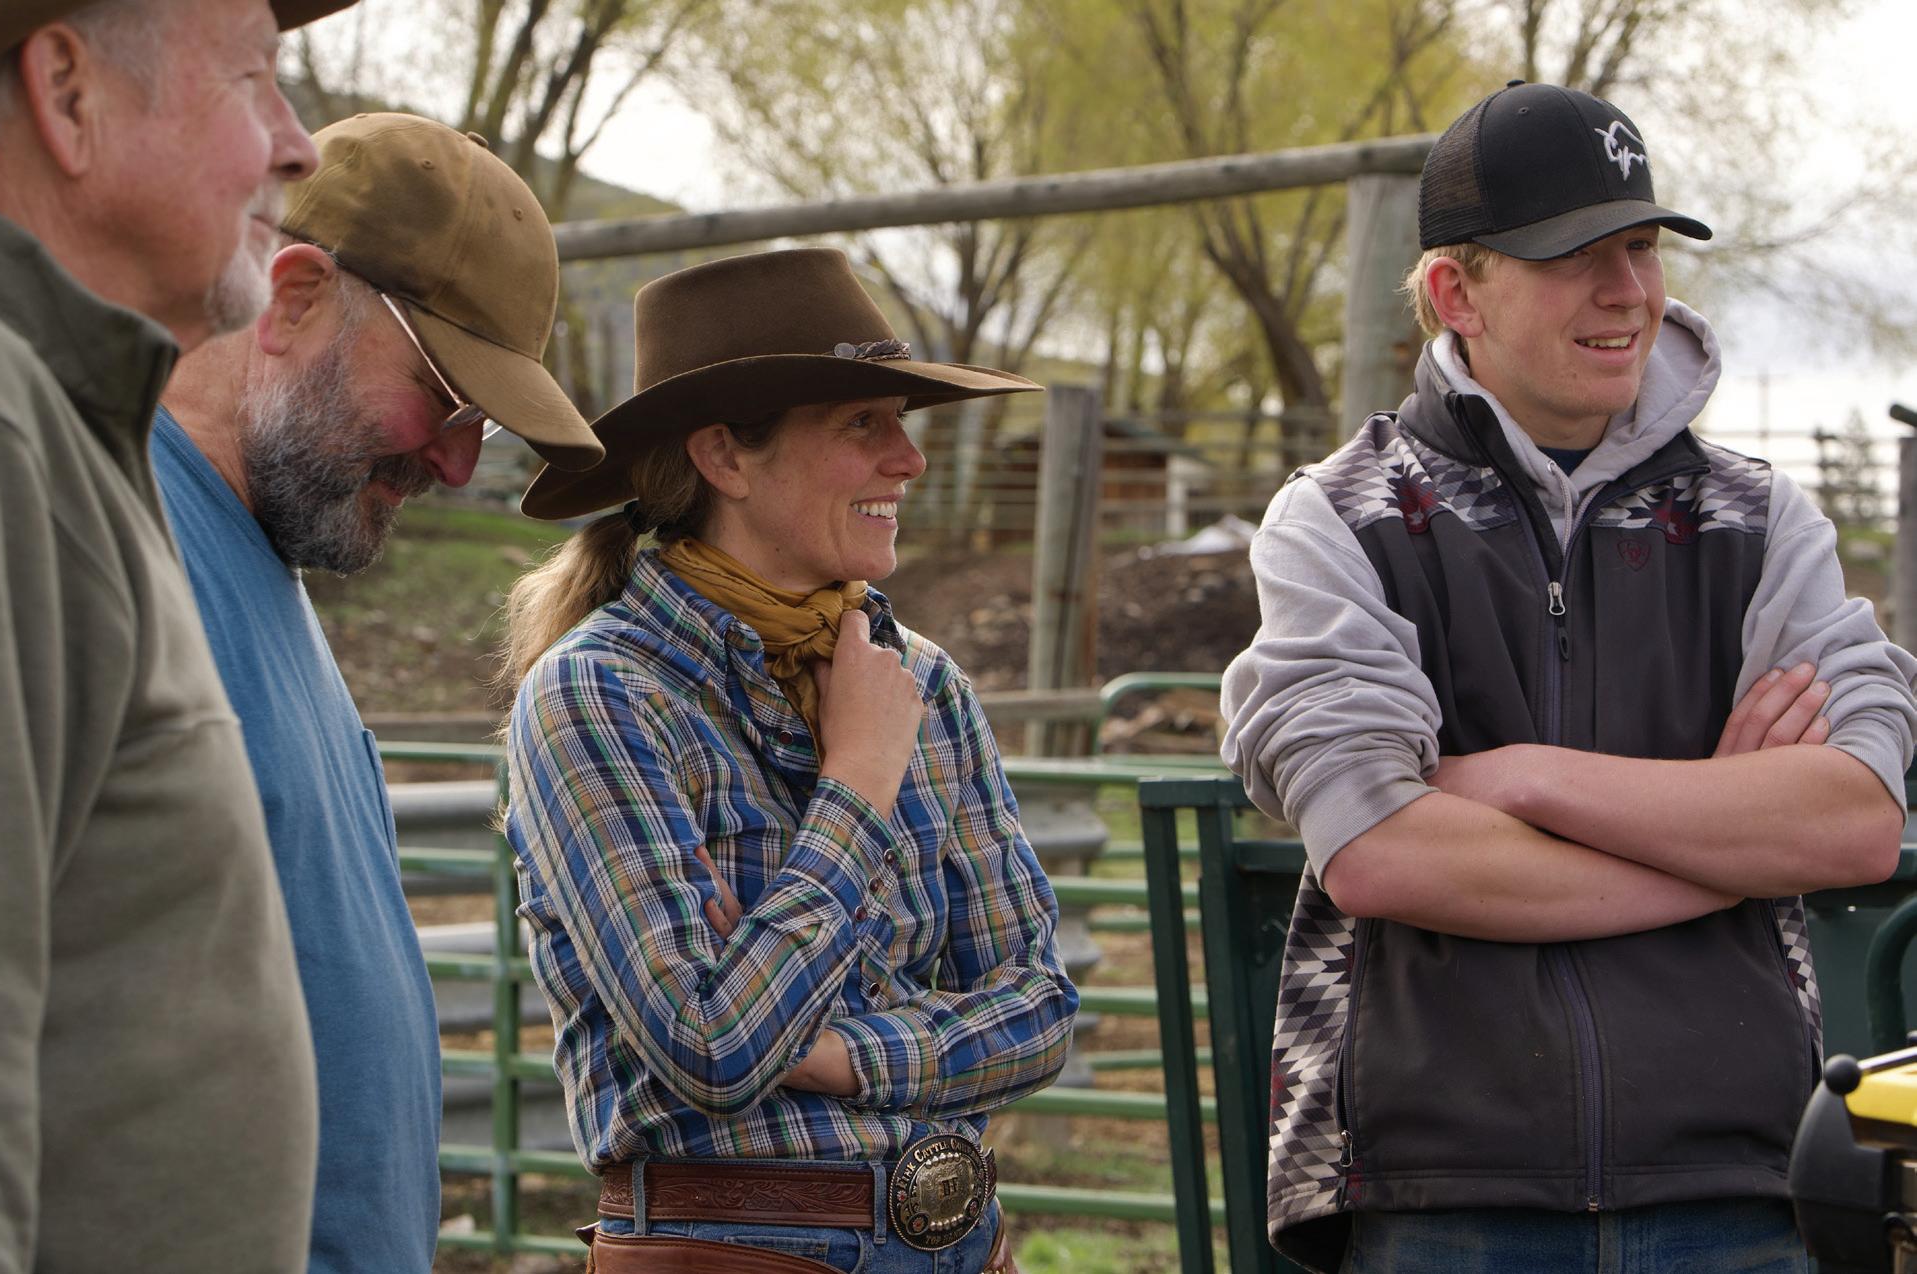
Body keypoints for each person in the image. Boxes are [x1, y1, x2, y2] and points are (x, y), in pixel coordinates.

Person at [1221, 80, 1917, 1273]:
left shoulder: (1758, 520)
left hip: (1738, 1182)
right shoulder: (1337, 519)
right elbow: (1380, 851)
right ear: (1456, 291)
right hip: (1445, 1186)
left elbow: (1852, 821)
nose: (1627, 290)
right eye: (1572, 255)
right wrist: (1721, 839)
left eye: (1640, 246)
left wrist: (1524, 776)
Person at [500, 246, 1079, 1274]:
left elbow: (1037, 1010)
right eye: (862, 424)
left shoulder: (920, 680)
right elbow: (714, 1048)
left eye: (899, 421)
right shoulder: (599, 695)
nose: (908, 460)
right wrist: (856, 782)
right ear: (724, 457)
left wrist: (831, 1051)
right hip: (735, 1251)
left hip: (961, 1241)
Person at [150, 112, 603, 1274]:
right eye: (442, 394)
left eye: (478, 423)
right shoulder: (116, 557)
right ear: (293, 296)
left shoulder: (266, 570)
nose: (456, 462)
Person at [0, 0, 354, 1269]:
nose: (297, 143)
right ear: (68, 93)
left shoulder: (68, 430)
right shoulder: (8, 438)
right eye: (255, 77)